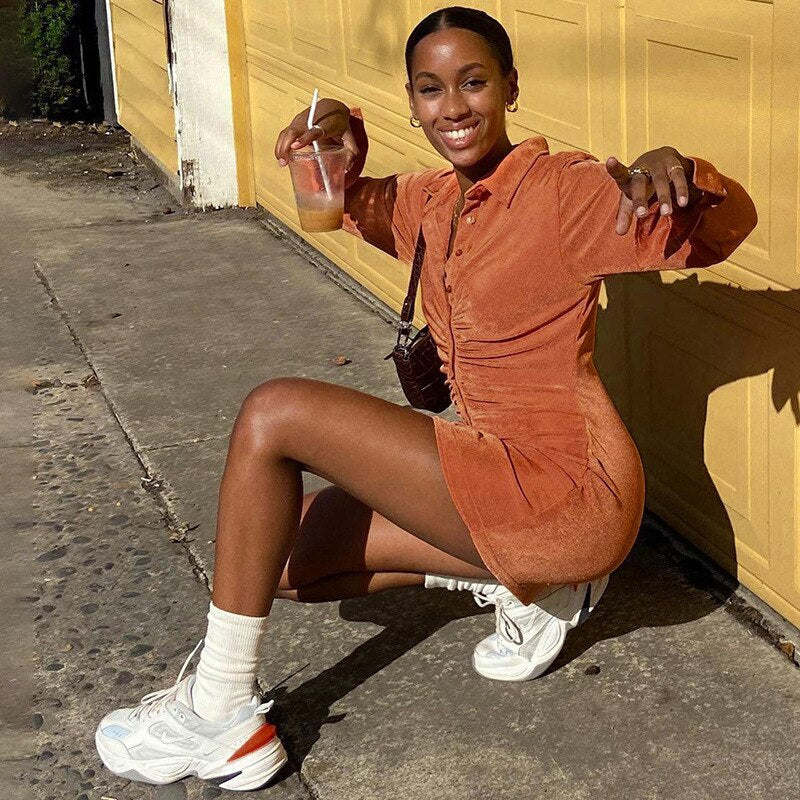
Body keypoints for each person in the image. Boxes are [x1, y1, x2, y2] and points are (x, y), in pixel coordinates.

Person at [94, 5, 758, 792]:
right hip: (490, 473)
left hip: (571, 489)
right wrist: (333, 135)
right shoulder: (430, 202)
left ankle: (218, 712)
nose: (453, 106)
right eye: (431, 88)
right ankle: (525, 580)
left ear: (510, 87)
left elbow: (720, 229)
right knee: (272, 559)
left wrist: (678, 167)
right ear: (412, 101)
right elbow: (347, 199)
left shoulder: (564, 192)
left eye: (474, 82)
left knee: (274, 413)